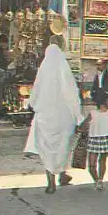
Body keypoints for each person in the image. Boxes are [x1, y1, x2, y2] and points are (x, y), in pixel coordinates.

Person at [24, 44, 86, 194]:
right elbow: (72, 94)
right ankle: (62, 175)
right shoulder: (65, 72)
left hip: (46, 116)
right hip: (64, 117)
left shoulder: (43, 71)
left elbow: (35, 93)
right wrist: (78, 117)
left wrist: (33, 105)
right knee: (62, 147)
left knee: (47, 149)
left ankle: (51, 182)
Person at [83, 90, 108, 190]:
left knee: (92, 164)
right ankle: (100, 180)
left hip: (94, 139)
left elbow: (83, 126)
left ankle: (97, 180)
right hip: (106, 139)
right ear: (105, 101)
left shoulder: (92, 113)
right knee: (102, 161)